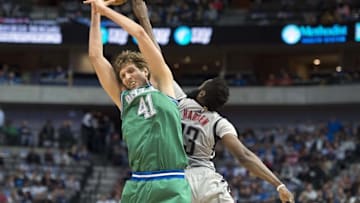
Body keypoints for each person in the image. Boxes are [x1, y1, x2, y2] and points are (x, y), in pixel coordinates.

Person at [130, 0, 295, 202]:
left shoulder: (179, 101)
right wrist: (278, 184)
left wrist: (143, 17)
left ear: (201, 94)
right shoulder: (219, 122)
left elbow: (155, 56)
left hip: (176, 178)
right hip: (205, 179)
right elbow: (244, 156)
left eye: (203, 84)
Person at [84, 0, 191, 202]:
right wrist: (95, 10)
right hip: (138, 182)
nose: (126, 77)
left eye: (131, 70)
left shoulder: (162, 84)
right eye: (123, 75)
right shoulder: (123, 99)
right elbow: (96, 57)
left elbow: (140, 34)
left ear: (145, 70)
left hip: (170, 181)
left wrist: (106, 10)